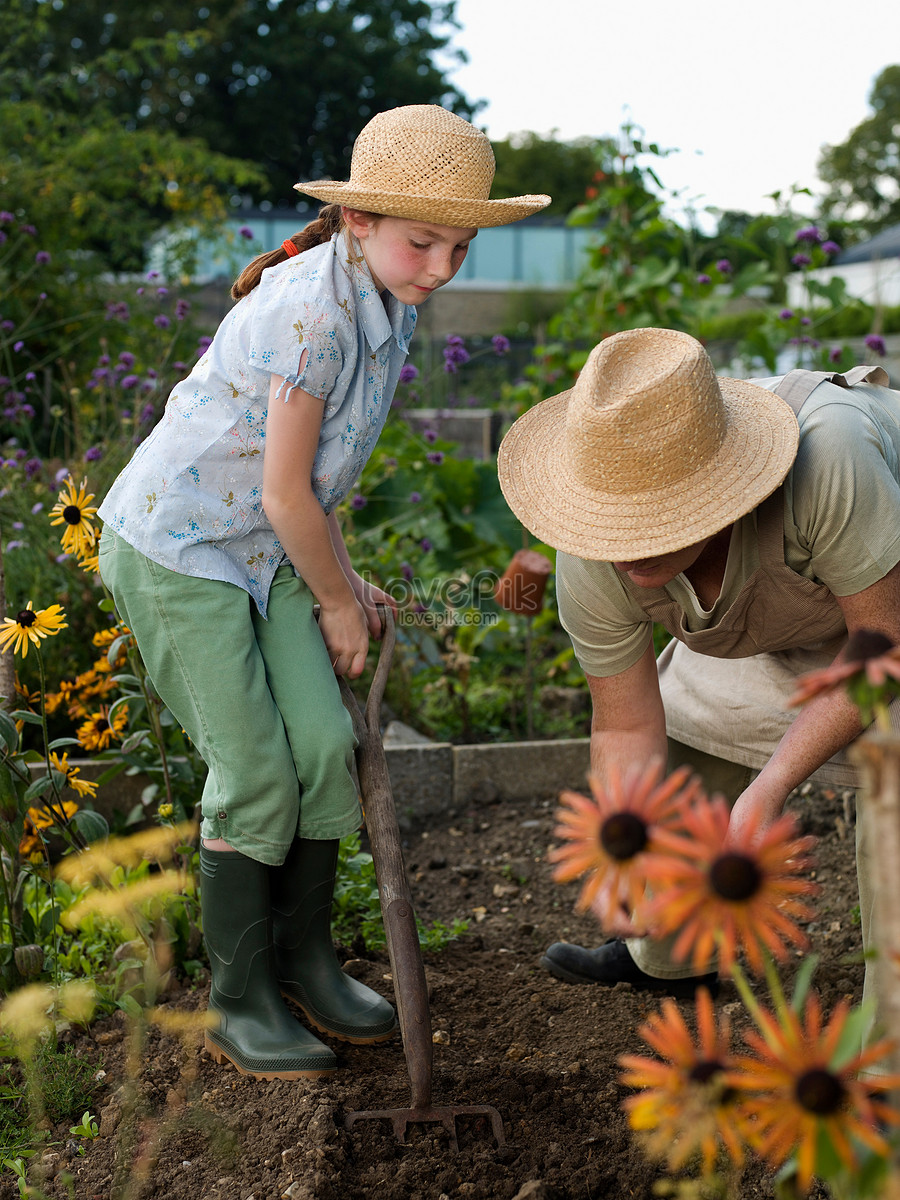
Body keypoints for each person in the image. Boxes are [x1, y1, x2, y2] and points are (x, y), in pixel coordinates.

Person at [97, 104, 550, 1081]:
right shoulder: (308, 314)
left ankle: (305, 960)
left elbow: (313, 485)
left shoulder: (386, 303)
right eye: (421, 242)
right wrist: (336, 602)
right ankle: (239, 997)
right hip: (182, 551)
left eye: (460, 248)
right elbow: (277, 490)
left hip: (267, 551)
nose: (439, 267)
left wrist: (343, 578)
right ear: (359, 223)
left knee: (322, 742)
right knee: (257, 766)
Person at [497, 326, 900, 1042]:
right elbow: (624, 725)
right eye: (612, 527)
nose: (625, 550)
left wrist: (771, 785)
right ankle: (670, 955)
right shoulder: (593, 552)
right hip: (788, 620)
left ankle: (889, 1043)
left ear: (722, 496)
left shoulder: (828, 460)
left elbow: (880, 645)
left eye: (652, 524)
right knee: (680, 744)